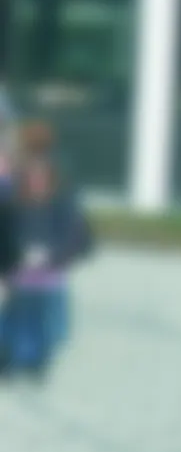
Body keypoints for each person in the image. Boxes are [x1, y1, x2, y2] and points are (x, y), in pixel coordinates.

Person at [0, 144, 91, 378]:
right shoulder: (14, 206)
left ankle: (37, 361)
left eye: (39, 177)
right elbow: (7, 237)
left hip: (49, 276)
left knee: (46, 324)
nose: (35, 182)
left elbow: (72, 238)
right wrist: (16, 257)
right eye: (31, 177)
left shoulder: (61, 205)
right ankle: (12, 358)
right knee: (17, 319)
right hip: (20, 274)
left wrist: (51, 256)